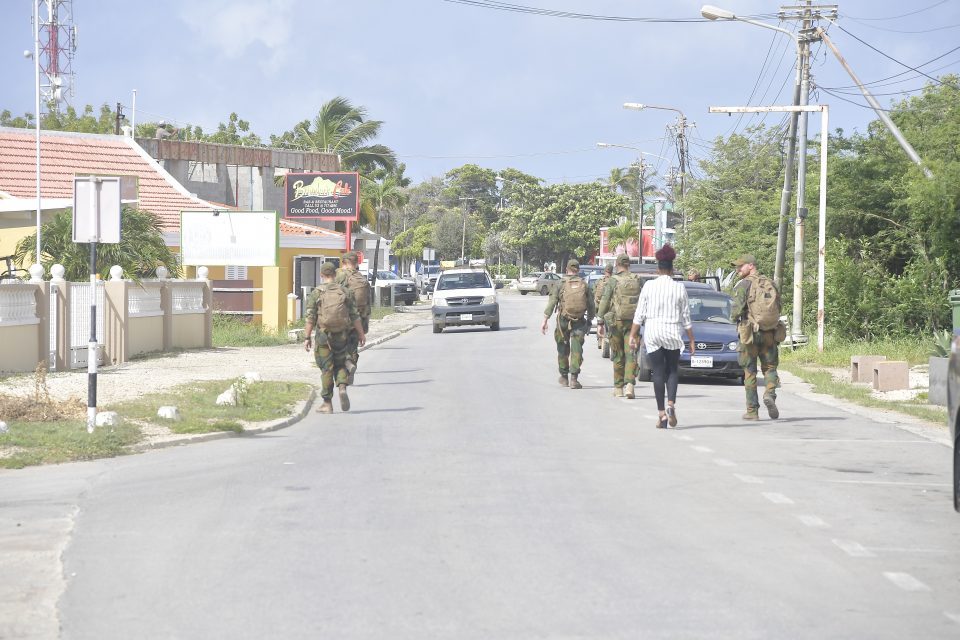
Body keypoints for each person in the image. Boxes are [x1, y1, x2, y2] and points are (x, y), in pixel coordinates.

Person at [628, 245, 695, 428]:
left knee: (657, 371)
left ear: (658, 268)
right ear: (672, 269)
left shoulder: (649, 286)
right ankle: (671, 404)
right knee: (672, 370)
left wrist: (633, 335)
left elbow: (639, 314)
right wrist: (691, 340)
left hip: (653, 333)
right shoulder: (679, 288)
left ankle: (661, 415)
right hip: (673, 332)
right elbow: (686, 318)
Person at [304, 262, 366, 414]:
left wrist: (307, 337)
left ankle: (327, 403)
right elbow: (354, 315)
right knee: (340, 364)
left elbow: (310, 318)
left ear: (322, 275)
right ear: (335, 274)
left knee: (326, 369)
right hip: (342, 335)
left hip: (323, 336)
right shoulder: (345, 291)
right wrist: (361, 334)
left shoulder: (317, 292)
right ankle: (342, 388)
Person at [730, 254, 784, 421]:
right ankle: (769, 394)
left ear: (751, 266)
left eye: (741, 266)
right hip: (770, 333)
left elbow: (736, 311)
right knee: (770, 368)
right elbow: (779, 306)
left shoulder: (743, 285)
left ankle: (752, 411)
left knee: (749, 371)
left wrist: (734, 318)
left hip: (750, 335)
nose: (738, 269)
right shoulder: (771, 284)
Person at [541, 258, 595, 389]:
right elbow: (591, 305)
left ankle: (564, 377)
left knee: (562, 348)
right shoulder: (584, 284)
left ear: (567, 269)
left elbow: (552, 301)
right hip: (579, 320)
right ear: (578, 270)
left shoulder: (560, 283)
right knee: (577, 349)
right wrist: (590, 320)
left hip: (563, 320)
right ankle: (574, 379)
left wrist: (545, 320)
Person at [597, 254, 642, 398]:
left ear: (617, 264)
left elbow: (604, 301)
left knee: (618, 354)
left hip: (616, 323)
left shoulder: (613, 281)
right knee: (631, 354)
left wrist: (599, 322)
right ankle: (630, 385)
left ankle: (618, 387)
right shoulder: (637, 280)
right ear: (629, 264)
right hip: (633, 323)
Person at [335, 251, 371, 383]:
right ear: (356, 263)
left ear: (344, 263)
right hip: (360, 319)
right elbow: (368, 302)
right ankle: (351, 366)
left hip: (343, 317)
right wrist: (364, 325)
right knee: (353, 345)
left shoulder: (340, 276)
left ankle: (347, 365)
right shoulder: (362, 278)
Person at [594, 263, 614, 351]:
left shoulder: (599, 281)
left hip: (599, 307)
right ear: (612, 271)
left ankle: (600, 340)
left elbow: (594, 292)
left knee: (600, 323)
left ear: (605, 271)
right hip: (610, 308)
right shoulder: (614, 281)